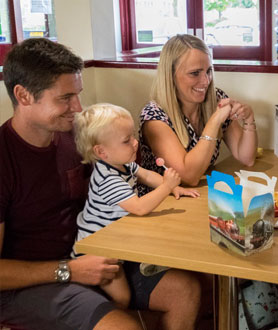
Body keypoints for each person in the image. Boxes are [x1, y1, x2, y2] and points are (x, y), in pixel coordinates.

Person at [0, 38, 201, 330]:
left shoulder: (76, 136)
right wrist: (69, 270)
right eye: (64, 98)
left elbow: (118, 182)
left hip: (94, 257)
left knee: (186, 290)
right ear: (24, 95)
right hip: (32, 284)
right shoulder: (4, 158)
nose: (77, 107)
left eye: (77, 94)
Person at [71, 103, 199, 309]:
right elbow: (139, 207)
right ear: (101, 151)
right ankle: (115, 317)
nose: (135, 143)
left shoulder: (122, 163)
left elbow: (147, 175)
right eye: (126, 140)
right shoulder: (107, 179)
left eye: (132, 136)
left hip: (118, 241)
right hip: (97, 252)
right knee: (123, 297)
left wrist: (176, 189)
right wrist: (167, 186)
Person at [138, 34, 258, 196]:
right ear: (170, 75)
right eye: (195, 73)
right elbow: (188, 177)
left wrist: (249, 120)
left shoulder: (215, 99)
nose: (205, 81)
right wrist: (215, 121)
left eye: (208, 71)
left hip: (198, 197)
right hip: (161, 205)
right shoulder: (154, 117)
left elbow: (247, 158)